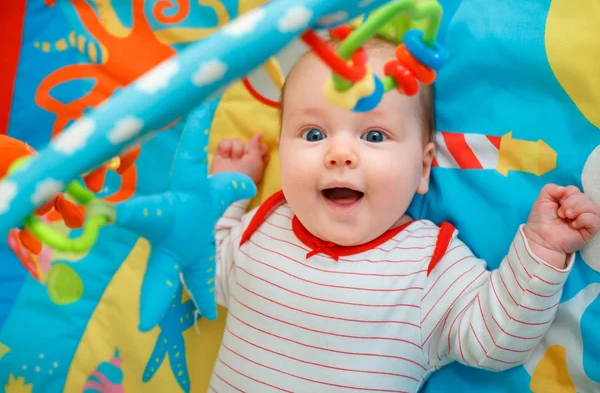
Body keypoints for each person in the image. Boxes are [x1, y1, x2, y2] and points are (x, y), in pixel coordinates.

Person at [205, 37, 600, 392]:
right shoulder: (261, 225)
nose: (338, 154)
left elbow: (495, 340)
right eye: (313, 134)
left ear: (423, 168)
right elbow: (205, 277)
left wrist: (543, 250)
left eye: (374, 136)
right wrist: (228, 188)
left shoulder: (427, 264)